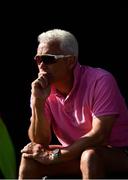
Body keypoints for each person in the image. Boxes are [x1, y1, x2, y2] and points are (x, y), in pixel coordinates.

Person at [18, 29, 128, 179]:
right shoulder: (42, 89)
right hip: (74, 153)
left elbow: (99, 136)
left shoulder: (101, 80)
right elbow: (40, 141)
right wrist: (38, 102)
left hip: (117, 152)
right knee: (29, 159)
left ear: (70, 61)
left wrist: (57, 156)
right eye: (38, 59)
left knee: (90, 156)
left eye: (49, 59)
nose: (42, 65)